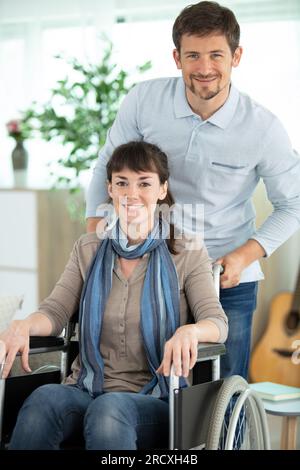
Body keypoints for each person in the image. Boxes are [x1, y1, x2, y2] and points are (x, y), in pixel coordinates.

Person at [85, 1, 300, 380]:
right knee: (150, 383)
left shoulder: (264, 129)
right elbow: (108, 165)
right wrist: (94, 231)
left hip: (225, 278)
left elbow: (293, 204)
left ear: (236, 56)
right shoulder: (143, 101)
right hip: (149, 268)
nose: (204, 68)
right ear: (177, 57)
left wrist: (245, 255)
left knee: (221, 391)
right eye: (193, 55)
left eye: (216, 55)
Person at [1, 141, 228, 450]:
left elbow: (216, 322)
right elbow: (55, 311)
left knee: (108, 411)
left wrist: (192, 330)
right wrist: (24, 325)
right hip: (85, 390)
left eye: (144, 183)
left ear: (162, 189)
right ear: (109, 188)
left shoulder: (186, 251)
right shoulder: (88, 248)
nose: (131, 194)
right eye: (122, 183)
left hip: (155, 397)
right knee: (44, 399)